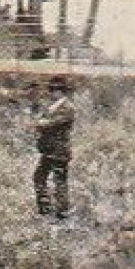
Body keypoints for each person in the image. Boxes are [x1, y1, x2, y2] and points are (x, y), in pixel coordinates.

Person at [34, 76, 75, 219]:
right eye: (50, 89)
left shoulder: (67, 107)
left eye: (53, 89)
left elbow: (51, 124)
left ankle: (61, 213)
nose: (50, 93)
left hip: (59, 151)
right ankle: (46, 211)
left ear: (61, 91)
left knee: (59, 182)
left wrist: (41, 123)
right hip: (49, 151)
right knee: (39, 178)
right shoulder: (54, 107)